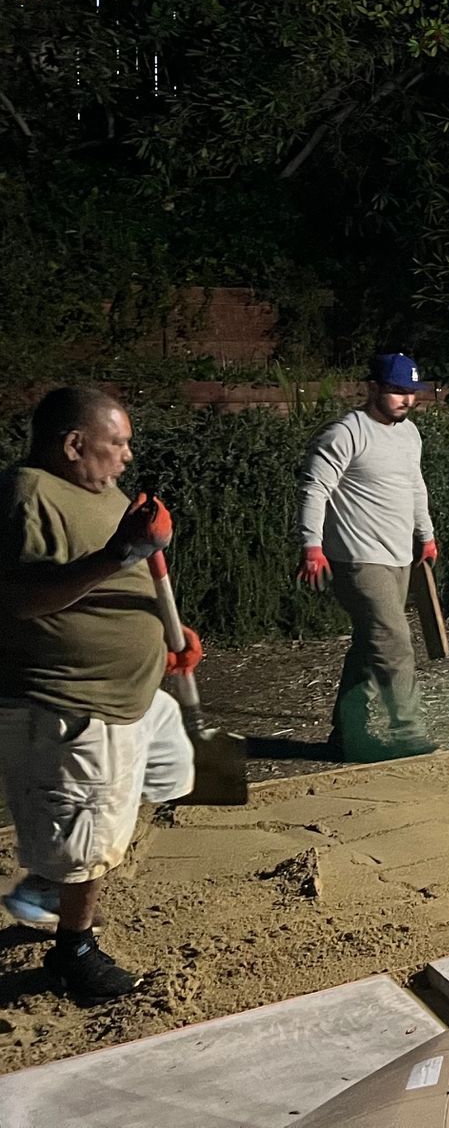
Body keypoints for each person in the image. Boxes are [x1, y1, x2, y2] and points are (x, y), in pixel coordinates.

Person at [0, 386, 199, 1003]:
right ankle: (74, 949)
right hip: (74, 702)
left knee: (172, 776)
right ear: (73, 444)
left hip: (134, 694)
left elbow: (126, 585)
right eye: (118, 443)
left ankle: (53, 870)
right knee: (89, 828)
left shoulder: (104, 492)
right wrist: (121, 552)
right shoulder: (30, 493)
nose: (127, 455)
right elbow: (23, 599)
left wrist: (169, 635)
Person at [296, 353, 439, 762]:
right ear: (373, 387)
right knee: (394, 643)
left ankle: (347, 736)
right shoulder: (346, 433)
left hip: (399, 555)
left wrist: (426, 535)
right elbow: (315, 489)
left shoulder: (409, 433)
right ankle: (407, 732)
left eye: (412, 392)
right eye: (397, 391)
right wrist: (311, 545)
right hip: (357, 558)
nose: (406, 399)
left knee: (368, 647)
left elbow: (415, 485)